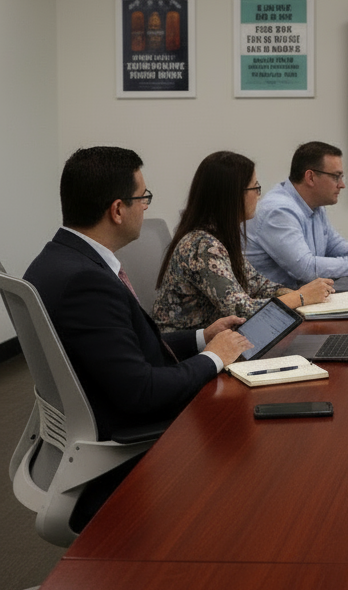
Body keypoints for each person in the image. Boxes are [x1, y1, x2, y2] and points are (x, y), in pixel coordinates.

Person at [23, 147, 252, 525]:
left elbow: (120, 347)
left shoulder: (58, 259)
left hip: (79, 438)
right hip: (122, 451)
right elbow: (140, 392)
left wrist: (201, 337)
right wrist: (214, 357)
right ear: (117, 209)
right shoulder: (87, 282)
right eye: (142, 198)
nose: (146, 206)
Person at [154, 151, 334, 330]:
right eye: (255, 188)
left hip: (218, 342)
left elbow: (258, 284)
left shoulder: (219, 236)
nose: (258, 195)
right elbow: (241, 311)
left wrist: (298, 294)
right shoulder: (202, 245)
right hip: (185, 351)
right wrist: (301, 297)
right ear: (232, 195)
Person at [246, 141, 348, 286]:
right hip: (273, 305)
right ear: (310, 177)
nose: (342, 185)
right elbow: (306, 269)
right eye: (335, 176)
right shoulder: (278, 211)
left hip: (301, 298)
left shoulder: (315, 205)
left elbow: (334, 245)